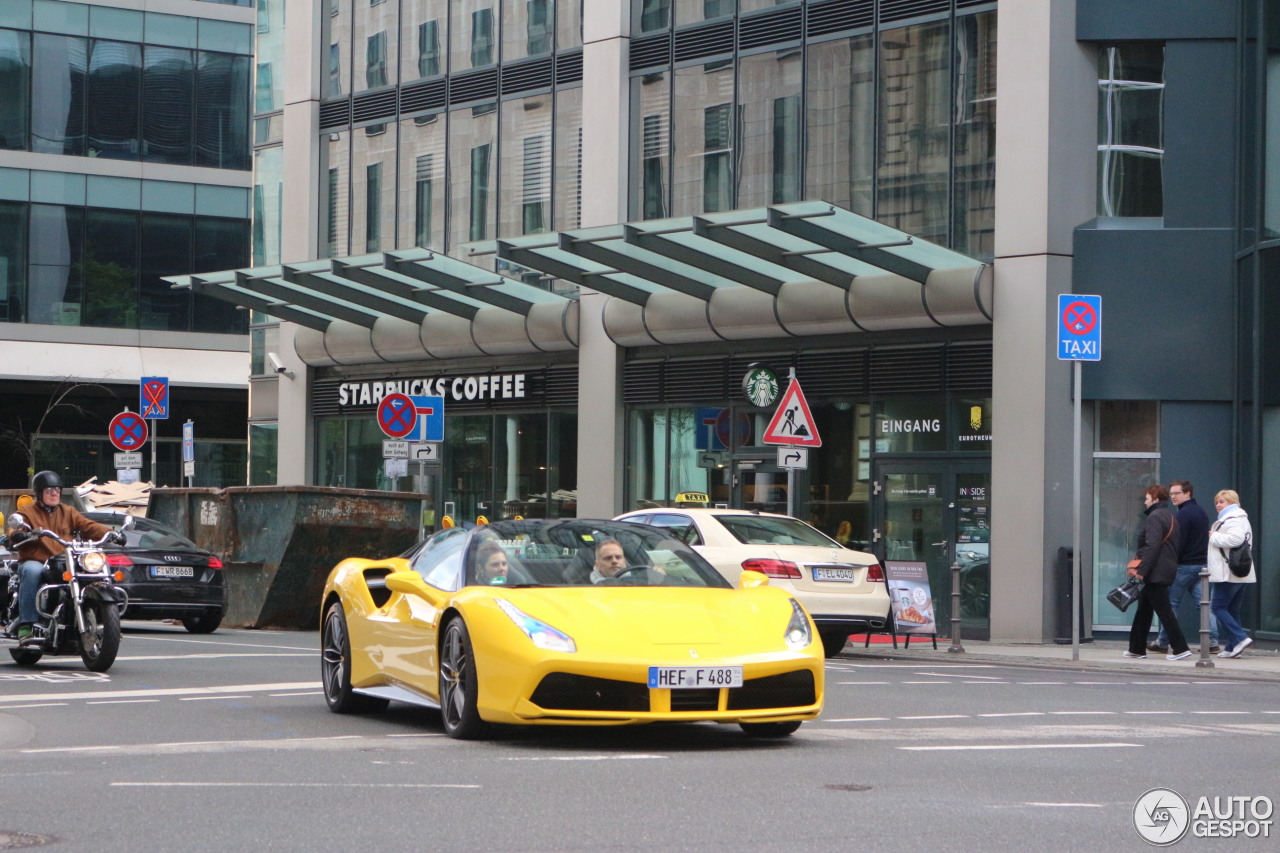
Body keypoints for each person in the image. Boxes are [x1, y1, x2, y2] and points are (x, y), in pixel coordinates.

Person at [9, 470, 119, 645]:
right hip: (37, 559)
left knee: (91, 573)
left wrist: (111, 533)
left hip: (64, 559)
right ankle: (26, 624)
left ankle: (102, 621)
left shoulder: (68, 511)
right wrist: (18, 534)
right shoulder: (27, 512)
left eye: (57, 490)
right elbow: (15, 528)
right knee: (31, 571)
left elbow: (87, 525)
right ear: (39, 493)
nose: (54, 494)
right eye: (49, 490)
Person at [1124, 485, 1193, 661]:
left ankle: (1180, 648)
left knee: (1164, 611)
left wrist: (1142, 570)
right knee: (1144, 610)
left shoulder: (1154, 517)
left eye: (1147, 498)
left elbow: (1152, 546)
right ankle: (1136, 648)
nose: (1145, 502)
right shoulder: (1170, 516)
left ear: (1155, 499)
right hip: (1164, 568)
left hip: (1155, 572)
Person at [1149, 480, 1218, 654]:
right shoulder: (1201, 512)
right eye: (1171, 493)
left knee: (1170, 604)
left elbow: (1178, 543)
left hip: (1184, 566)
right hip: (1201, 566)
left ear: (1187, 493)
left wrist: (1170, 561)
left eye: (1176, 493)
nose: (1173, 496)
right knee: (1203, 605)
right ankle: (1212, 641)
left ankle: (1163, 641)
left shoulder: (1183, 514)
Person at [1207, 490, 1256, 659]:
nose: (1219, 505)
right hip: (1240, 570)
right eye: (1217, 502)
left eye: (1223, 502)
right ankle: (1232, 646)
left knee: (1217, 607)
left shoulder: (1232, 519)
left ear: (1232, 503)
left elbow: (1236, 539)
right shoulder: (1241, 518)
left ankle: (1240, 638)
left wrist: (1215, 536)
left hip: (1227, 572)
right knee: (1232, 610)